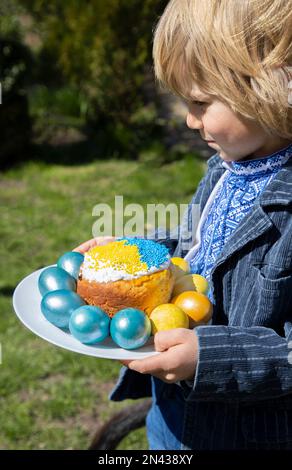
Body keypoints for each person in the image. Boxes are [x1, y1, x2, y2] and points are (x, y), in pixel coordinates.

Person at [74, 0, 292, 450]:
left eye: (200, 102)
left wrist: (211, 358)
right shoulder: (229, 165)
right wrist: (135, 253)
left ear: (272, 84)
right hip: (173, 406)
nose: (191, 120)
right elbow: (200, 239)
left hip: (242, 431)